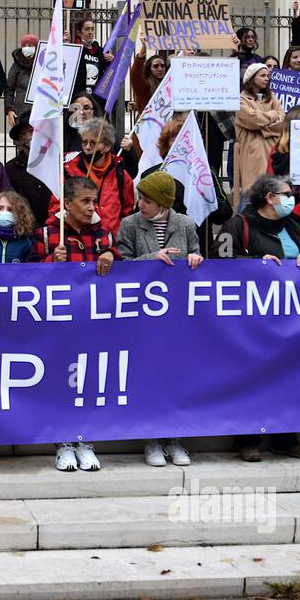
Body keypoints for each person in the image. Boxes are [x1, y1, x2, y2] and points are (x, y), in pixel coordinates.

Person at [219, 174, 300, 462]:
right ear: (269, 198)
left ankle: (286, 439)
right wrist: (255, 264)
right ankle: (247, 439)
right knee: (253, 377)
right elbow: (221, 257)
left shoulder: (294, 226)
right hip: (253, 319)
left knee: (289, 375)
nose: (292, 199)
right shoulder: (238, 225)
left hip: (290, 316)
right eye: (286, 194)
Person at [117, 170, 203, 467]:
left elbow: (197, 255)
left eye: (148, 200)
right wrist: (150, 260)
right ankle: (151, 439)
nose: (141, 204)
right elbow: (122, 266)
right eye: (140, 198)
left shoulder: (186, 224)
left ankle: (175, 439)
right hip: (144, 317)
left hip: (177, 316)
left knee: (176, 377)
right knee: (148, 377)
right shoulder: (129, 225)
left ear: (164, 202)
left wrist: (195, 259)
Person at [34, 177, 116, 472]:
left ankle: (86, 441)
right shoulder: (46, 235)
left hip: (92, 324)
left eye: (94, 201)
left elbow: (121, 265)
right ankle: (63, 442)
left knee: (89, 382)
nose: (91, 207)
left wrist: (111, 254)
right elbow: (25, 278)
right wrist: (49, 262)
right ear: (67, 204)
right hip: (59, 326)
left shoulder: (105, 235)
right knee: (60, 381)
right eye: (84, 201)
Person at [55, 117, 135, 236]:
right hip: (77, 241)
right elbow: (56, 208)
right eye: (84, 142)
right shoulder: (68, 170)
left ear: (107, 146)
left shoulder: (120, 173)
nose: (87, 147)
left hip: (110, 244)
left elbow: (127, 212)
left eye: (93, 143)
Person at [232, 64, 285, 210]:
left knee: (270, 194)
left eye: (268, 76)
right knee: (250, 194)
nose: (266, 78)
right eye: (262, 75)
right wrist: (272, 116)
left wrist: (263, 126)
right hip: (251, 155)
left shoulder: (273, 98)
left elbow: (282, 122)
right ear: (251, 78)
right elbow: (253, 119)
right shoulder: (241, 100)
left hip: (271, 152)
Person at [4, 110, 52, 226]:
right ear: (21, 138)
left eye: (39, 131)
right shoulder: (11, 168)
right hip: (25, 228)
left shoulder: (56, 163)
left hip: (53, 228)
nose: (36, 135)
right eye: (31, 131)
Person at [0, 192, 36, 263]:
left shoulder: (25, 243)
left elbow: (29, 271)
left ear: (19, 214)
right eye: (0, 208)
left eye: (10, 210)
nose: (4, 212)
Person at [71, 17, 111, 99]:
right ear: (79, 32)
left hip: (96, 99)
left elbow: (110, 74)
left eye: (92, 29)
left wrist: (112, 61)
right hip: (77, 97)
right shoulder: (74, 50)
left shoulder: (101, 52)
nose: (90, 32)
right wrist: (66, 44)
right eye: (87, 29)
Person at [5, 33, 38, 127]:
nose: (27, 48)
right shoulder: (16, 65)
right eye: (25, 45)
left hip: (39, 111)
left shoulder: (42, 64)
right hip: (21, 111)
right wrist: (9, 109)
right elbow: (9, 89)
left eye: (30, 45)